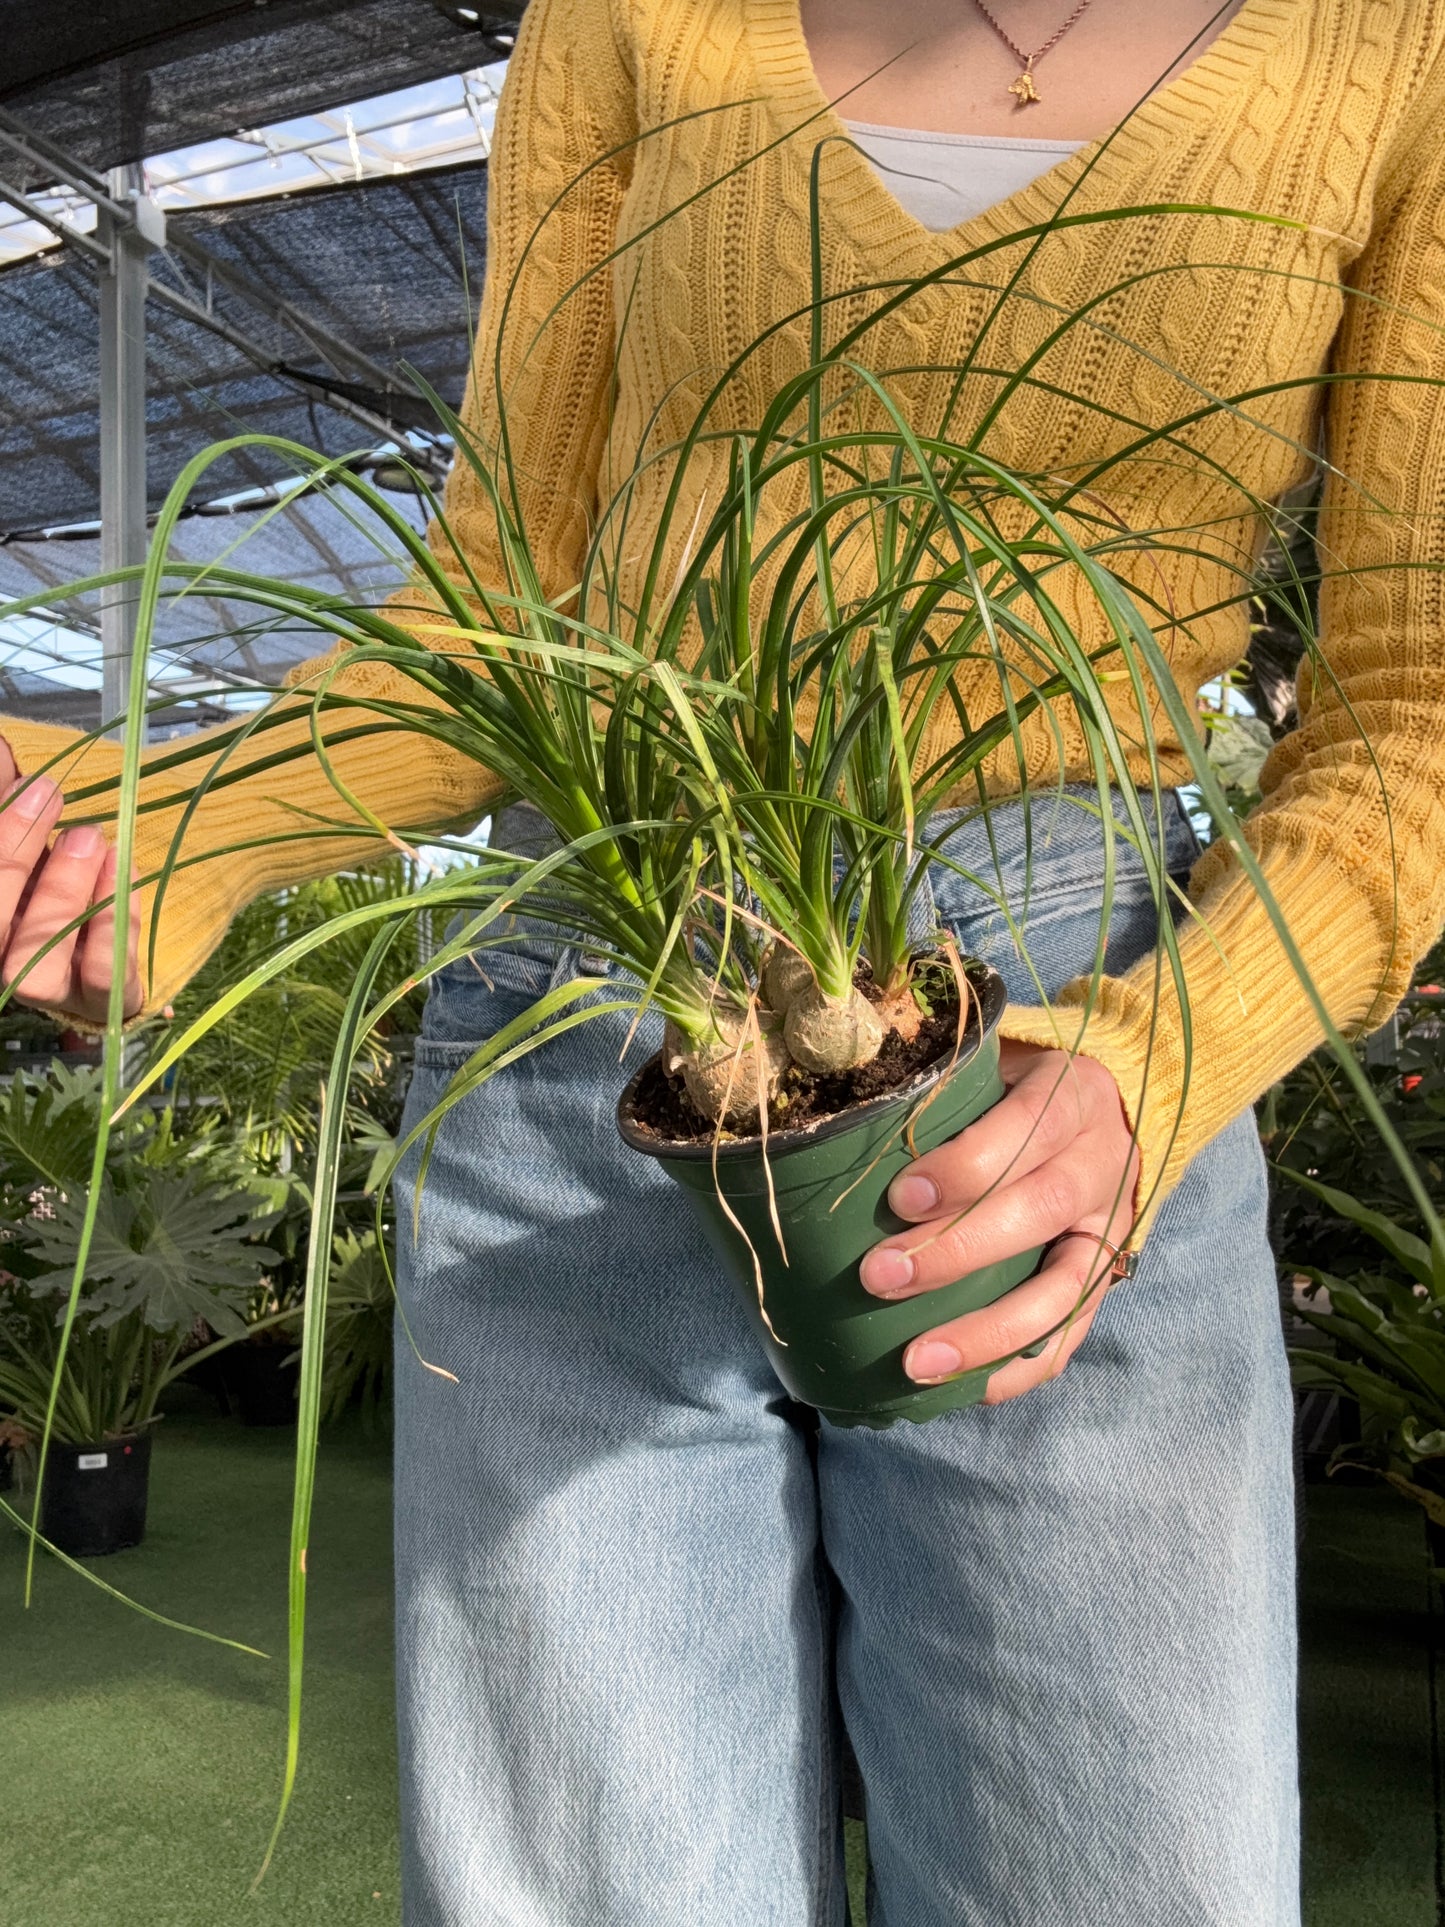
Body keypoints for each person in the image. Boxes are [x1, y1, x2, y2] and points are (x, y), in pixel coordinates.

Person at [3, 0, 1444, 1918]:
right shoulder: (625, 16)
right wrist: (185, 832)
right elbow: (507, 598)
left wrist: (1162, 1056)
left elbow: (1407, 715)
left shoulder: (1392, 47)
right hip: (579, 1022)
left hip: (1052, 1082)